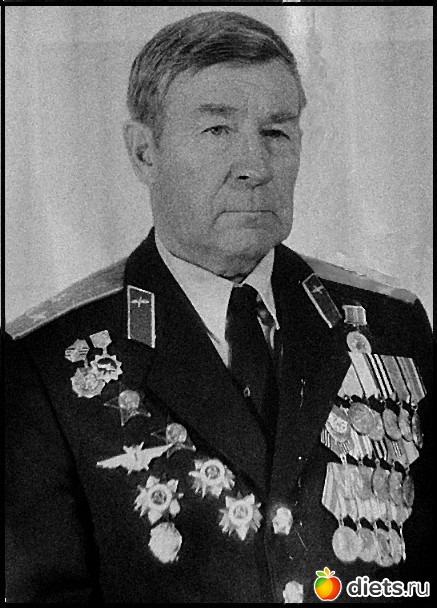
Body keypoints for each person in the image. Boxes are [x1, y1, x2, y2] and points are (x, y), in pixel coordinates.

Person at [5, 11, 433, 604]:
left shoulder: (390, 325)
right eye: (217, 131)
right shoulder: (44, 364)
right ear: (143, 152)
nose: (255, 167)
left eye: (276, 132)